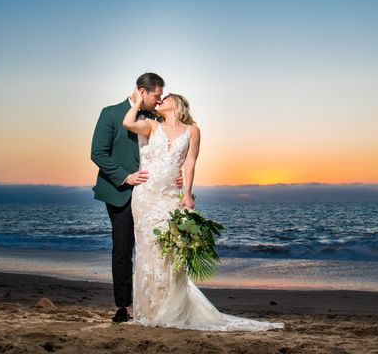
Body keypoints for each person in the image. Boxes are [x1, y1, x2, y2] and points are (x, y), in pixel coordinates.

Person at [122, 91, 285, 331]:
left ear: (177, 104)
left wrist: (187, 193)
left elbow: (189, 163)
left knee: (169, 252)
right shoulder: (152, 126)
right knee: (148, 251)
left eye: (164, 98)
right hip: (145, 196)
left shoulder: (192, 131)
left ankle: (171, 306)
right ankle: (150, 309)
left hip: (169, 196)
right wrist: (137, 101)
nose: (160, 101)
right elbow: (127, 122)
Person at [91, 72, 182, 323]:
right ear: (143, 92)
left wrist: (177, 175)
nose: (159, 100)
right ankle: (123, 307)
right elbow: (98, 153)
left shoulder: (157, 118)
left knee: (155, 250)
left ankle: (156, 304)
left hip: (153, 196)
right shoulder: (109, 113)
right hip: (120, 192)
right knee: (122, 249)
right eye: (156, 95)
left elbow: (173, 150)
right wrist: (125, 177)